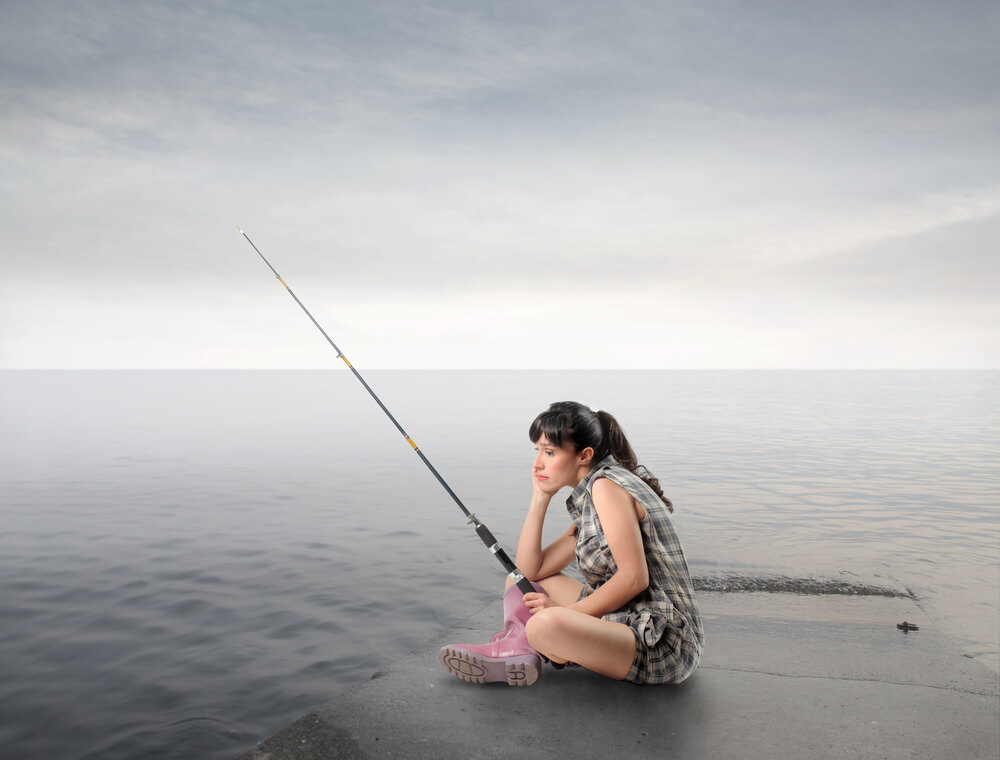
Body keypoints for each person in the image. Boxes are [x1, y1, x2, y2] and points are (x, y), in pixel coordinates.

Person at [438, 401, 703, 686]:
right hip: (628, 619)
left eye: (550, 452)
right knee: (517, 582)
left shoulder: (606, 487)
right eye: (537, 450)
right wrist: (540, 497)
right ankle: (520, 649)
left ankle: (525, 646)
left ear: (584, 456)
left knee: (543, 624)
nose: (538, 463)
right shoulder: (593, 492)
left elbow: (634, 579)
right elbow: (529, 571)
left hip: (663, 642)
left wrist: (562, 613)